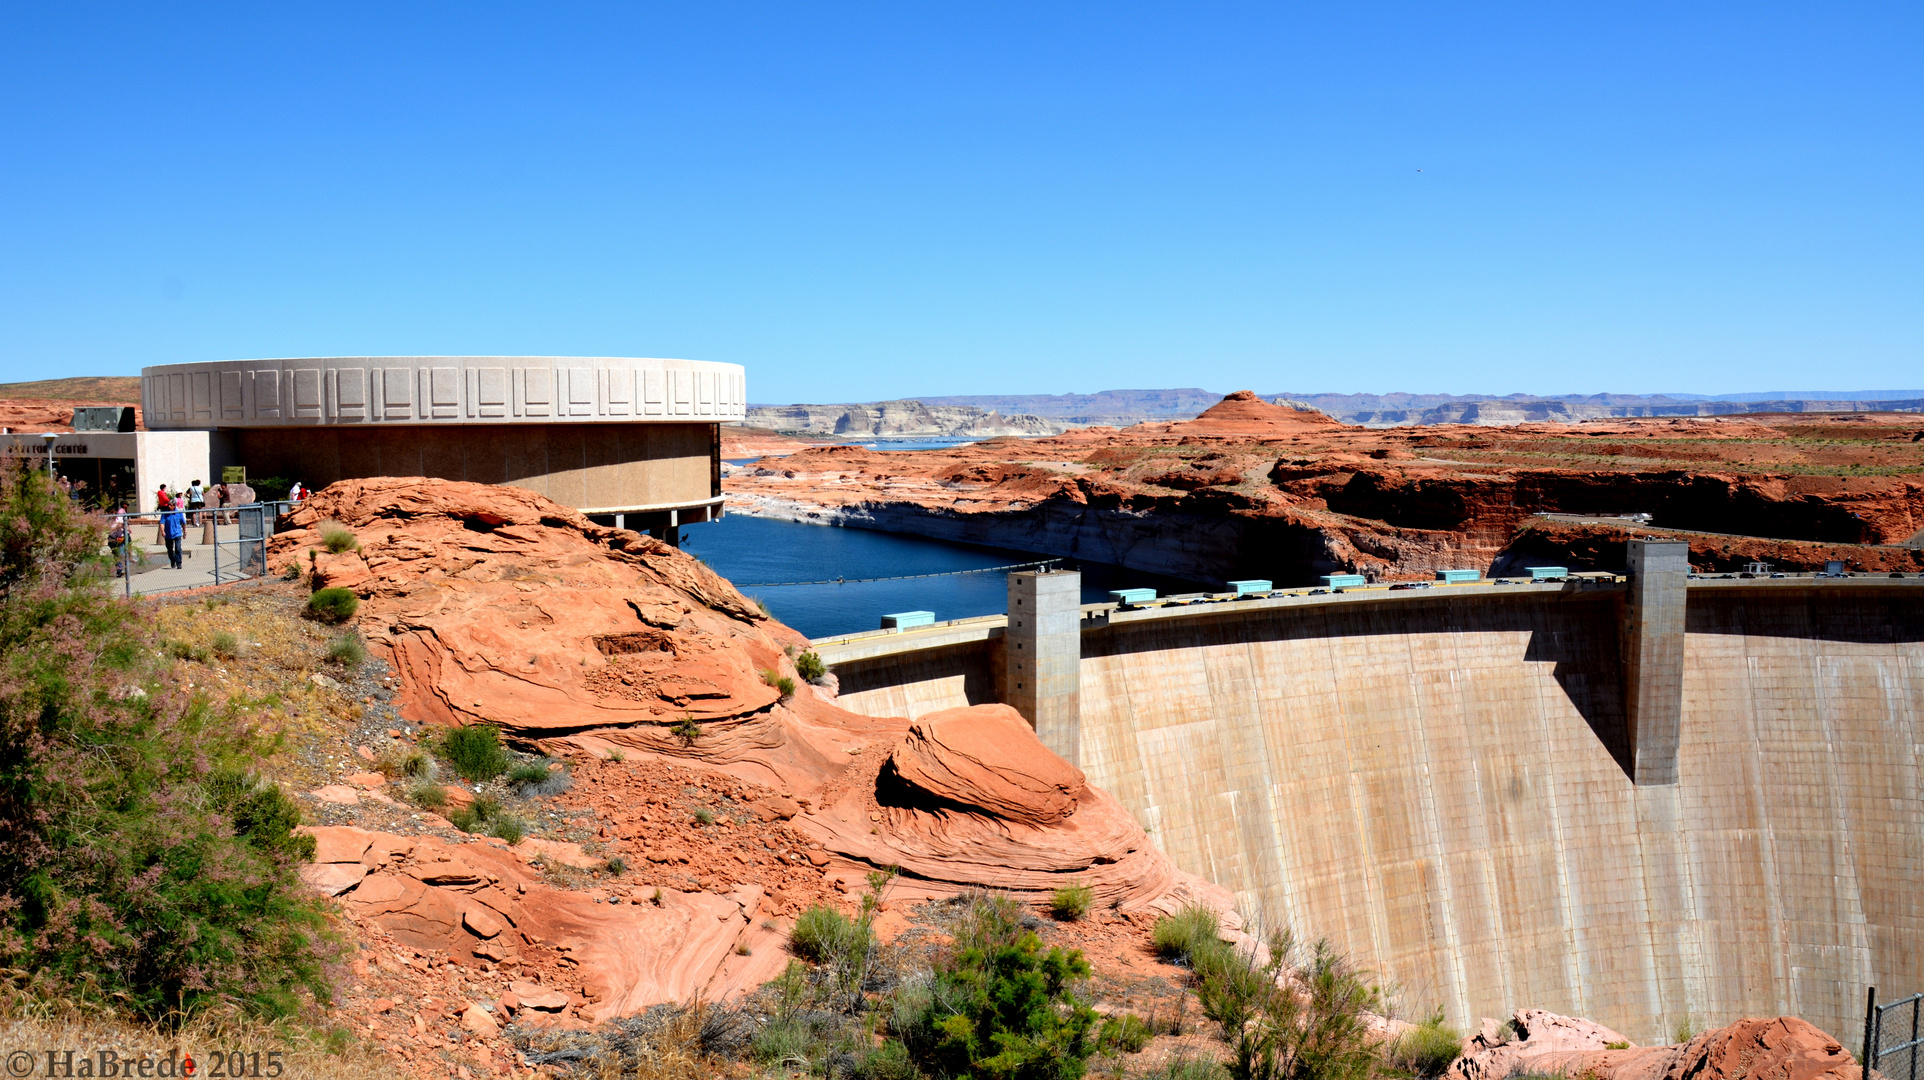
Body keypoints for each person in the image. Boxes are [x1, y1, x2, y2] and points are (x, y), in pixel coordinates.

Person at [160, 501, 186, 570]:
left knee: (178, 548)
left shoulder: (179, 513)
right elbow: (162, 523)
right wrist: (162, 531)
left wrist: (184, 532)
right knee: (169, 549)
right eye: (168, 505)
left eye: (171, 505)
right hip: (168, 534)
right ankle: (172, 560)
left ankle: (179, 563)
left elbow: (183, 523)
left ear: (174, 506)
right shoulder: (165, 513)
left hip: (177, 533)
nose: (169, 506)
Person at [108, 505, 129, 577]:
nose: (113, 514)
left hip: (120, 539)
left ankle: (123, 569)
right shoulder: (108, 521)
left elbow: (122, 525)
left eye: (114, 513)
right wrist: (117, 527)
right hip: (112, 539)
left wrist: (119, 526)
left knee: (121, 553)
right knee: (116, 555)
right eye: (111, 513)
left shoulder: (119, 519)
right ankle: (119, 570)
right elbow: (110, 529)